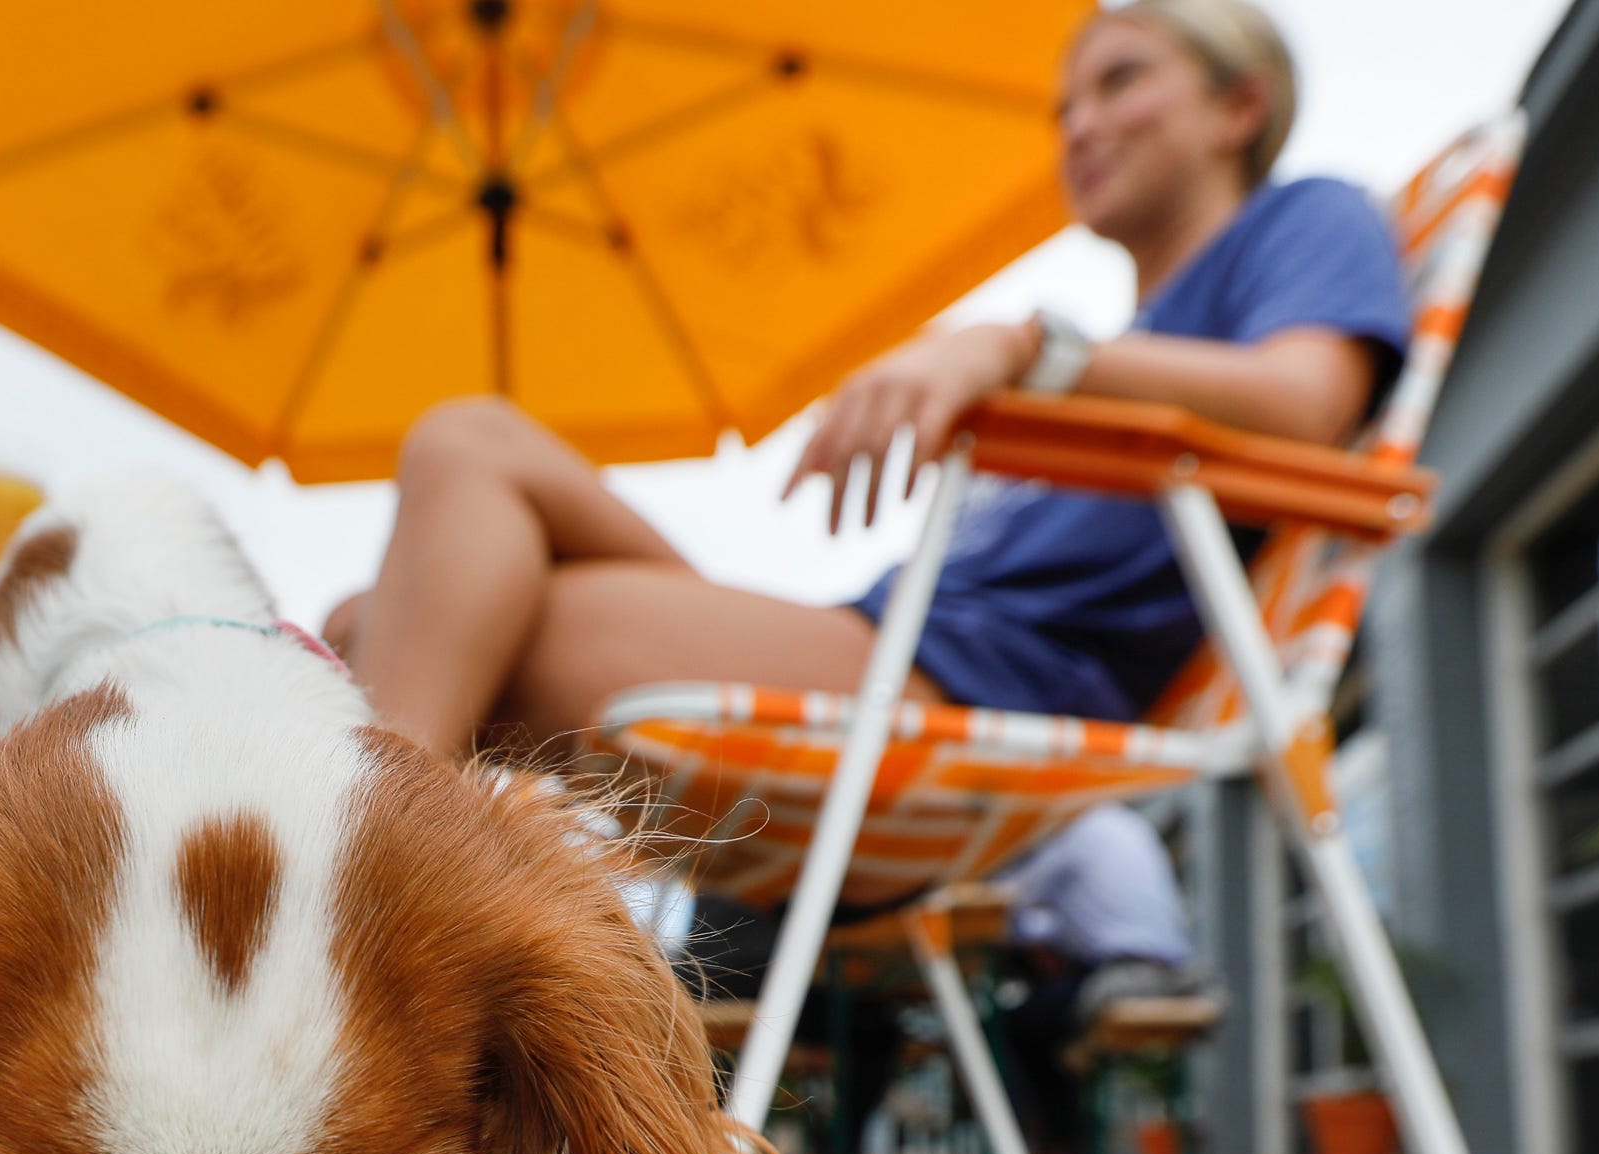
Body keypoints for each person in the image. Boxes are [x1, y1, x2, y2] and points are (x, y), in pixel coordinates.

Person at [325, 0, 1410, 757]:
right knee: (381, 584)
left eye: (1119, 81)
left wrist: (1021, 346)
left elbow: (1308, 403)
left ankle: (370, 868)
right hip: (885, 642)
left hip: (963, 688)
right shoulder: (1143, 351)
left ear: (1239, 108)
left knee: (433, 568)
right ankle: (391, 845)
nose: (1077, 127)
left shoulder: (1306, 215)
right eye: (1063, 109)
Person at [989, 804, 1211, 1154]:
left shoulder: (1074, 832)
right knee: (1048, 1029)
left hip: (1120, 975)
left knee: (1011, 1029)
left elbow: (1012, 902)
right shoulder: (1132, 825)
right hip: (1176, 973)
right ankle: (1069, 1153)